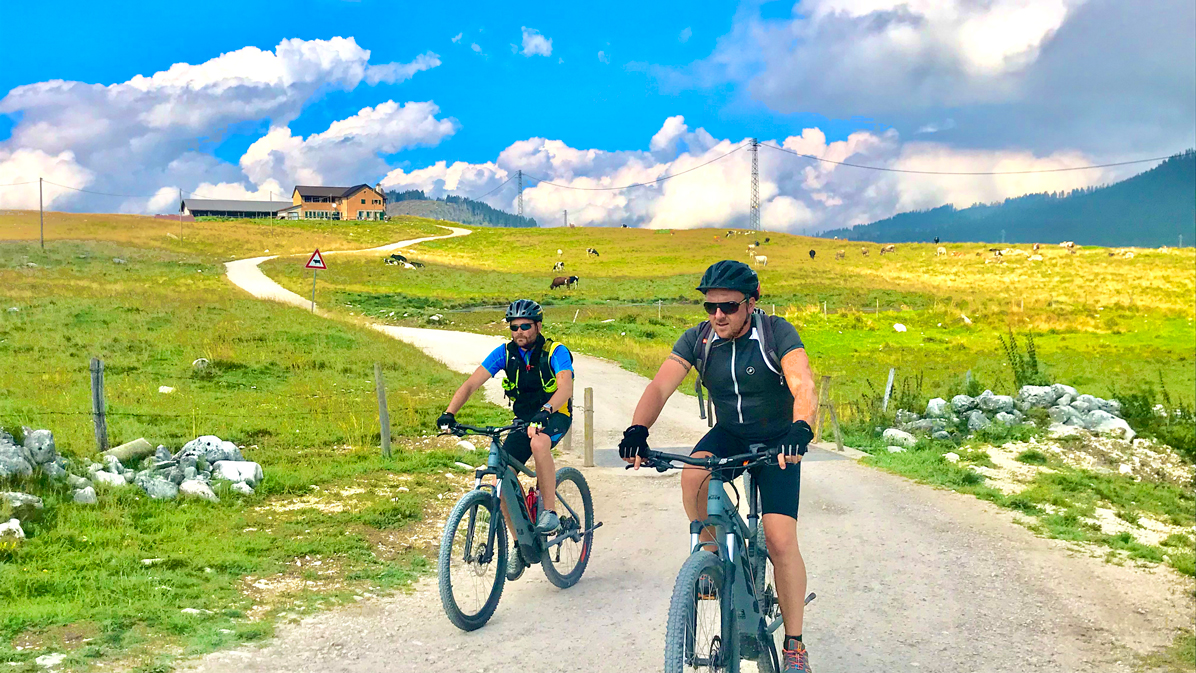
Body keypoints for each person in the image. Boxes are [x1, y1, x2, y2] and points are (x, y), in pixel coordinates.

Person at [618, 260, 818, 673]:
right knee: (693, 474)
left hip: (779, 439)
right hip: (730, 433)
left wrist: (801, 427)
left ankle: (795, 645)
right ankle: (709, 560)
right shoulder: (699, 339)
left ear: (751, 302)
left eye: (727, 306)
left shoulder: (776, 333)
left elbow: (802, 383)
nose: (718, 316)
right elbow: (660, 385)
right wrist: (637, 428)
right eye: (710, 307)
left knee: (780, 540)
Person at [437, 299, 574, 579]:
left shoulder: (555, 352)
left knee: (539, 443)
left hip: (554, 415)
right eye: (514, 327)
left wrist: (546, 412)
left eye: (525, 326)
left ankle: (549, 511)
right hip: (524, 421)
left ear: (537, 326)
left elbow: (565, 387)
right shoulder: (505, 353)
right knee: (502, 473)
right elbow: (471, 384)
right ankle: (519, 544)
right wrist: (449, 413)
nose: (519, 332)